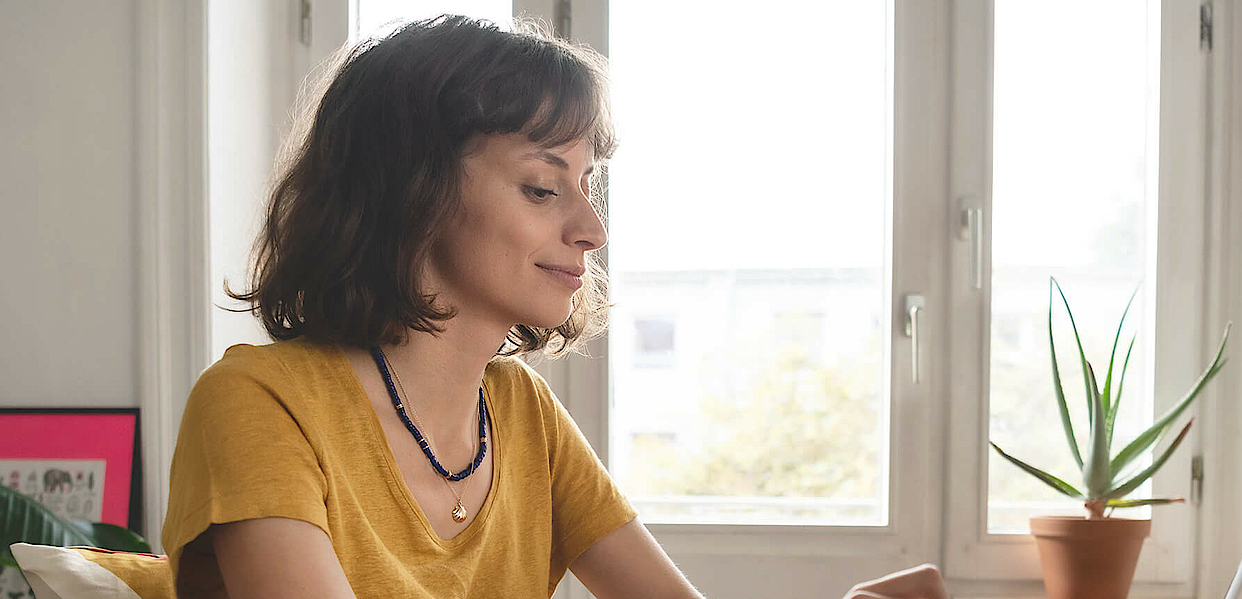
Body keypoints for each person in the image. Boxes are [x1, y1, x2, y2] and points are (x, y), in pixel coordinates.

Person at [160, 15, 949, 599]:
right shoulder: (260, 403)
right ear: (411, 190)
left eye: (586, 185)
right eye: (543, 187)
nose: (592, 229)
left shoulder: (522, 414)